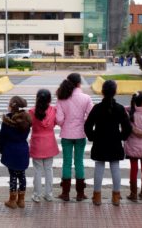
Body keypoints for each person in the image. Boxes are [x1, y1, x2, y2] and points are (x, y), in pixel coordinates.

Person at [85, 80, 132, 206]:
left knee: (99, 167)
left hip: (100, 142)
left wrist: (92, 137)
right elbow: (127, 128)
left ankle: (97, 196)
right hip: (114, 142)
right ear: (115, 92)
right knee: (115, 167)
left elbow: (87, 125)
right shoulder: (120, 108)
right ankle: (116, 197)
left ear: (102, 92)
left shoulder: (97, 108)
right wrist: (121, 137)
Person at [56, 73, 93, 202]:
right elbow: (91, 116)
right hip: (80, 134)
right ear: (79, 83)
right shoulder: (86, 98)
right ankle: (80, 194)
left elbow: (59, 119)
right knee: (79, 162)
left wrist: (65, 124)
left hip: (66, 134)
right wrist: (82, 121)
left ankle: (65, 193)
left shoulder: (62, 98)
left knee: (66, 162)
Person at [0, 96, 32, 209]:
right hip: (22, 149)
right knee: (22, 175)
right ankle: (21, 200)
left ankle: (12, 200)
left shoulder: (7, 120)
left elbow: (2, 137)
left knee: (13, 175)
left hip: (10, 150)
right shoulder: (26, 119)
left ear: (12, 106)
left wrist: (2, 149)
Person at [29, 89, 59, 203]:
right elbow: (56, 122)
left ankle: (37, 195)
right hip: (49, 142)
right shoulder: (53, 110)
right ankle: (49, 194)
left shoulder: (31, 111)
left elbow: (28, 124)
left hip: (37, 142)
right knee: (48, 169)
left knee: (37, 170)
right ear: (49, 100)